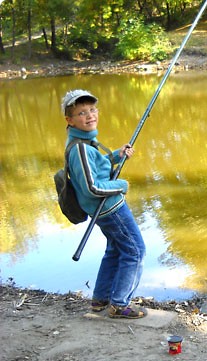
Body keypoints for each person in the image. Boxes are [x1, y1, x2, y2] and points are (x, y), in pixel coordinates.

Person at [61, 89, 147, 319]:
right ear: (69, 120)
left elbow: (97, 169)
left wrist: (117, 156)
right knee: (136, 251)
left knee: (116, 250)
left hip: (105, 209)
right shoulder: (80, 148)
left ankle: (100, 298)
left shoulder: (84, 142)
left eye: (92, 110)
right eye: (81, 113)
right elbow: (93, 187)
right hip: (110, 209)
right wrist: (122, 185)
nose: (89, 115)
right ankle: (119, 304)